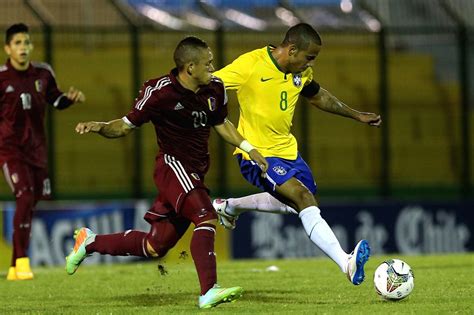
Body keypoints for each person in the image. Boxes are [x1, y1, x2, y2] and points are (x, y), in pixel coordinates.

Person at [65, 36, 268, 309]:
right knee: (206, 215)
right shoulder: (158, 91)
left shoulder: (216, 88)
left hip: (194, 172)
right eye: (208, 64)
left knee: (154, 246)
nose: (213, 68)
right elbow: (124, 126)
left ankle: (89, 242)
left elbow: (221, 123)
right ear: (190, 67)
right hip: (172, 166)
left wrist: (249, 147)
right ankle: (209, 291)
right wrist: (100, 126)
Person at [212, 23, 382, 285]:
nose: (310, 64)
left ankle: (230, 206)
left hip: (288, 152)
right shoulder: (251, 64)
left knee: (299, 202)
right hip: (257, 155)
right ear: (292, 50)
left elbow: (317, 96)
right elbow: (211, 84)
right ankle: (346, 262)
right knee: (302, 197)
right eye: (309, 57)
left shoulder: (301, 73)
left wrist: (356, 115)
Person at [1, 23, 85, 281]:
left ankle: (16, 267)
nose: (23, 47)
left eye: (26, 42)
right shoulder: (1, 78)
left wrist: (69, 99)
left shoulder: (43, 73)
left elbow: (55, 99)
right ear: (7, 48)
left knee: (32, 201)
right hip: (10, 150)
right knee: (24, 196)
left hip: (37, 151)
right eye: (17, 43)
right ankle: (21, 262)